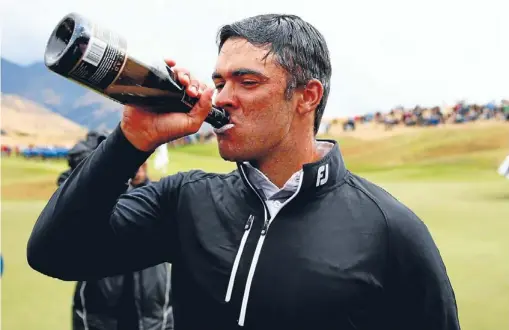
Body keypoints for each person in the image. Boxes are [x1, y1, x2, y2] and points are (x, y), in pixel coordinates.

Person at [27, 14, 460, 330]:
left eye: (247, 82)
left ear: (306, 96)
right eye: (219, 83)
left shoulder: (391, 229)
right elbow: (54, 253)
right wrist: (130, 140)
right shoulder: (185, 200)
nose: (224, 97)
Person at [57, 133, 174, 330]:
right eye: (134, 161)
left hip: (150, 311)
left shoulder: (159, 196)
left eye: (143, 161)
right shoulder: (100, 195)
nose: (138, 167)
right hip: (101, 313)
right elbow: (70, 186)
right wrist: (108, 168)